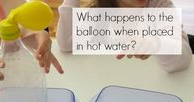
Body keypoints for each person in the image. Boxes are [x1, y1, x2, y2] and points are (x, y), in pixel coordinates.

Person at [56, 0, 192, 72]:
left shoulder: (160, 6)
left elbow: (182, 59)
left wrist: (159, 44)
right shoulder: (99, 12)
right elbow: (66, 44)